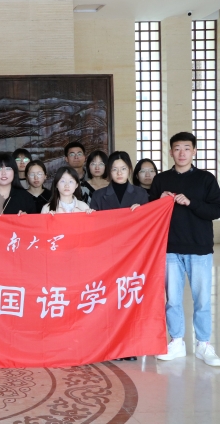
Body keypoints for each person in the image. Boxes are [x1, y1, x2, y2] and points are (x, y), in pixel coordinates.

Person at [151, 132, 220, 366]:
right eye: (177, 148)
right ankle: (177, 341)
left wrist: (190, 203)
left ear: (194, 151)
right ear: (170, 152)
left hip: (199, 248)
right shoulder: (161, 179)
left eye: (187, 148)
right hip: (170, 248)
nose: (182, 153)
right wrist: (159, 200)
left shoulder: (206, 179)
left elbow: (216, 210)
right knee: (173, 299)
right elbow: (149, 214)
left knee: (202, 300)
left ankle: (203, 344)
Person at [88, 151, 148, 362]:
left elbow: (149, 224)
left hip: (133, 256)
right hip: (107, 257)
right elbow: (93, 228)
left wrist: (142, 213)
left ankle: (128, 346)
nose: (119, 173)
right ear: (109, 171)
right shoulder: (98, 196)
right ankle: (108, 345)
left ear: (130, 170)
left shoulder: (141, 194)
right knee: (109, 302)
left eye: (123, 168)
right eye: (114, 169)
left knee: (128, 300)